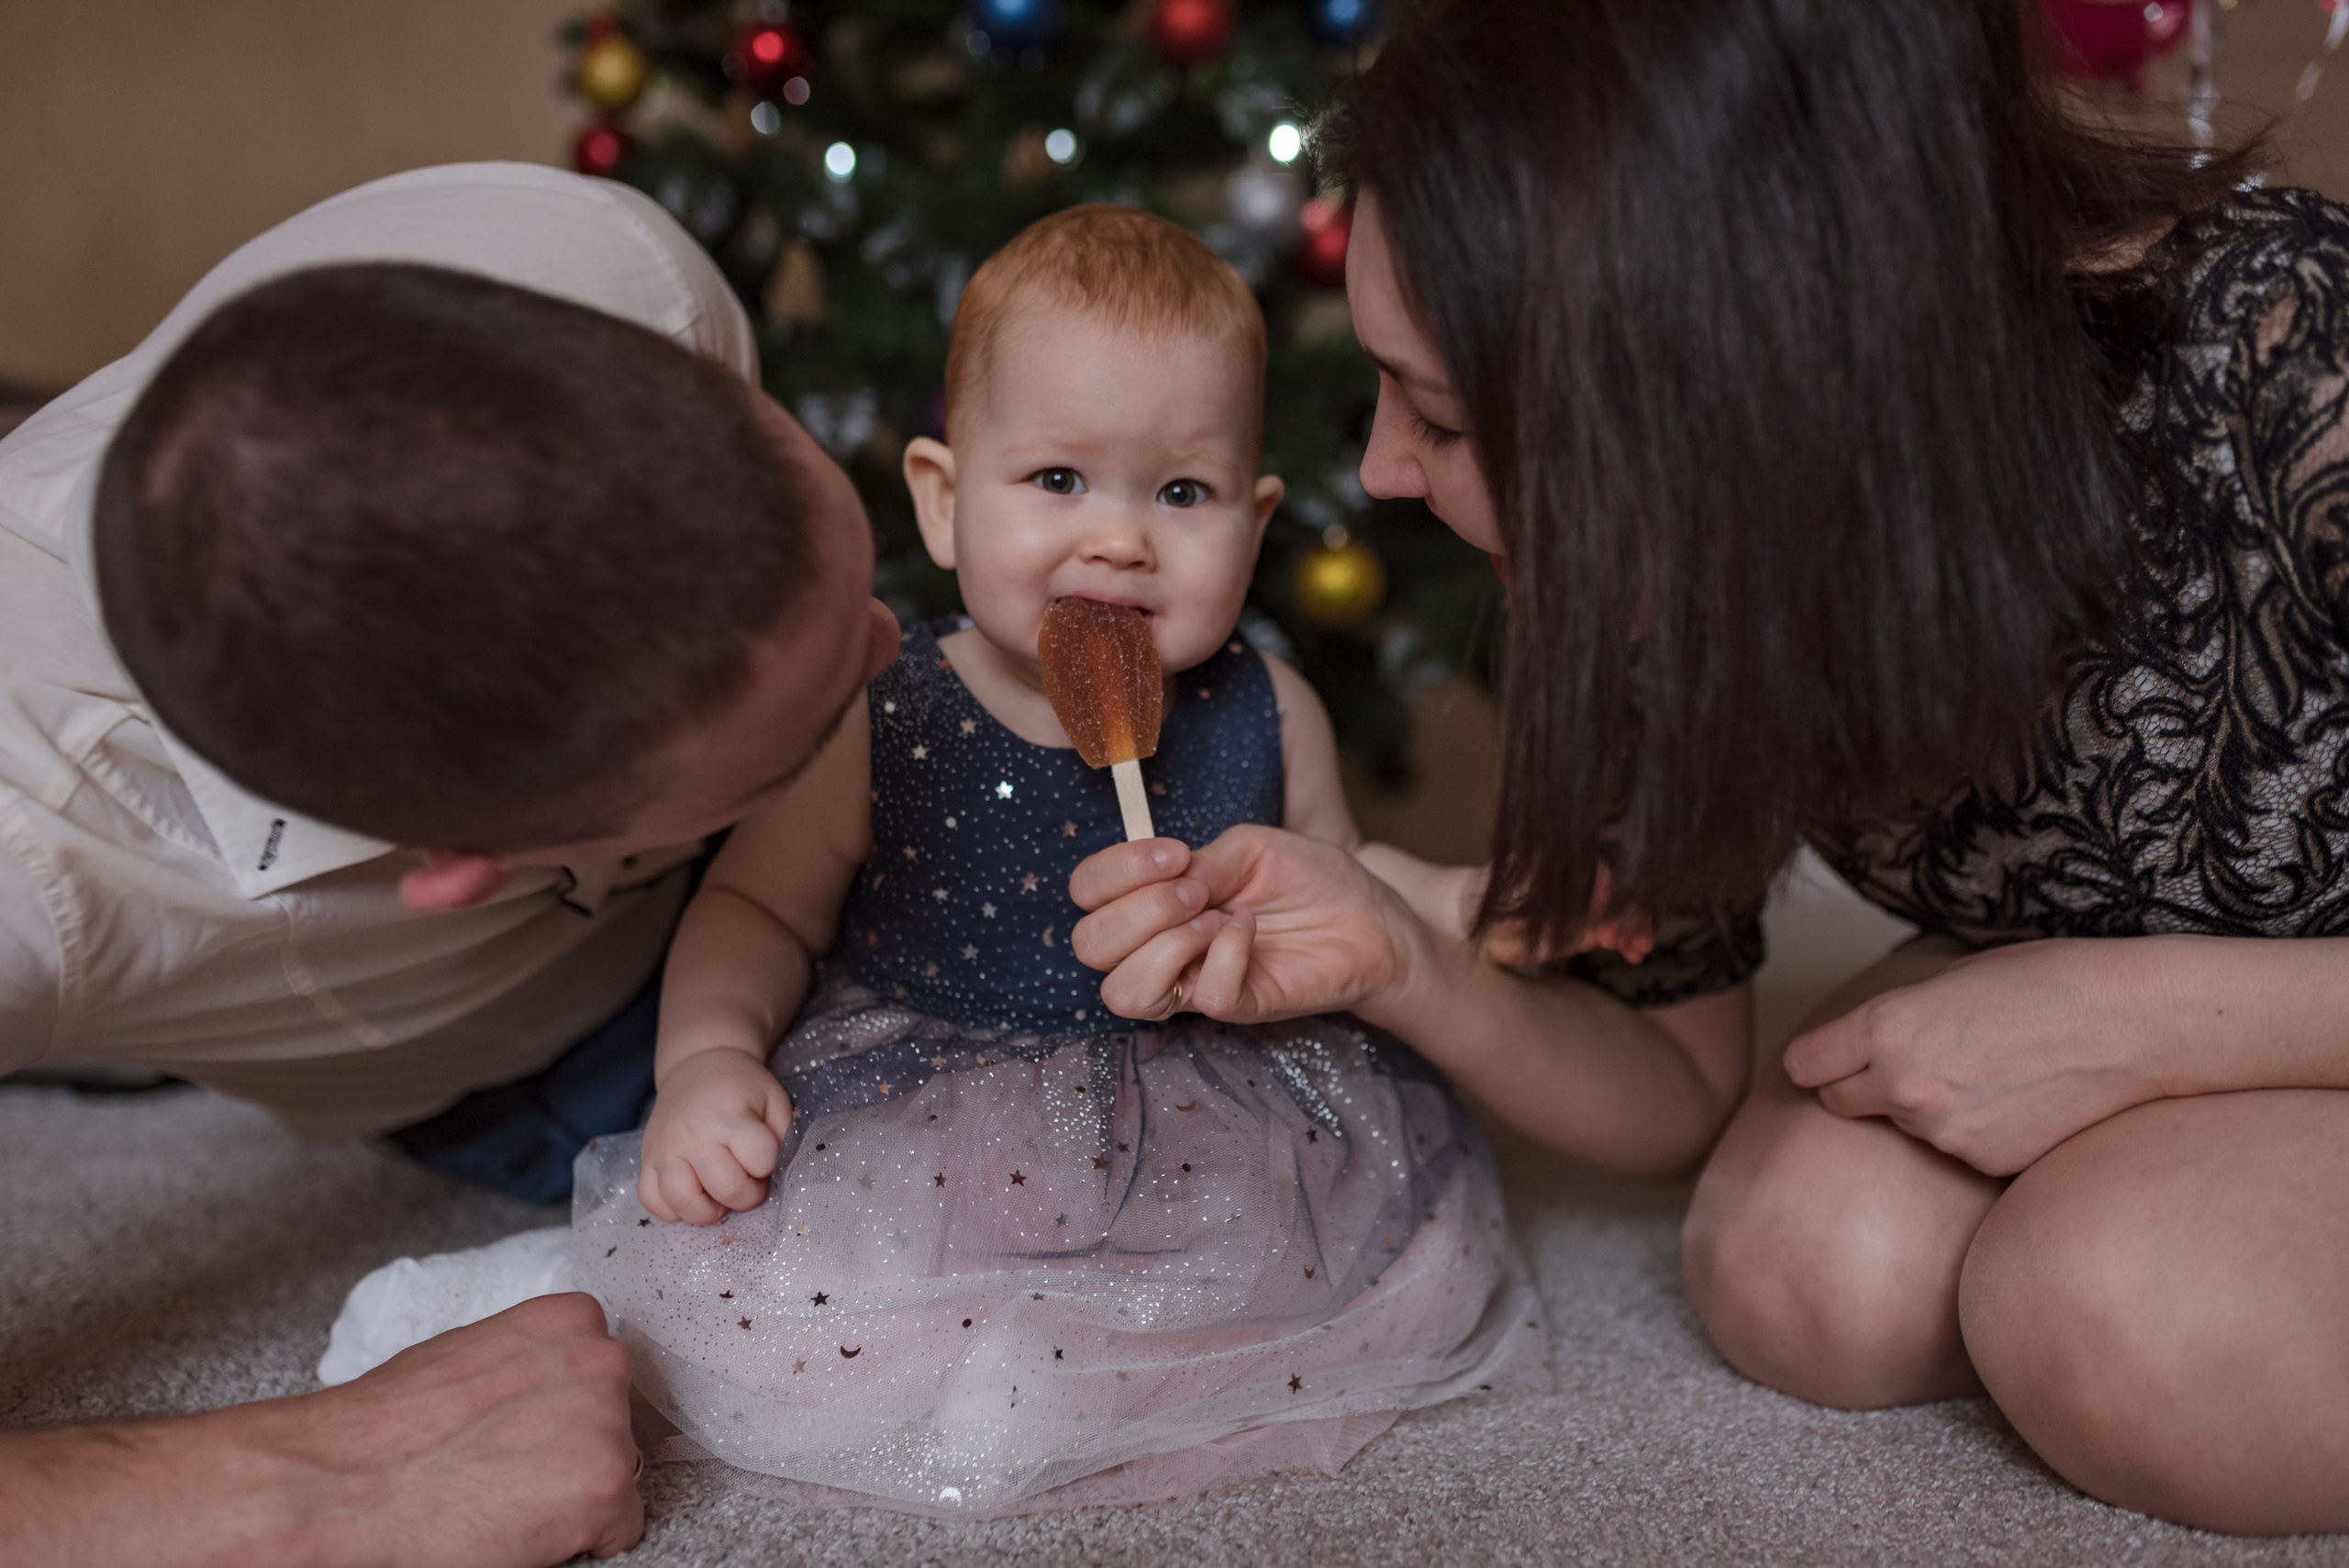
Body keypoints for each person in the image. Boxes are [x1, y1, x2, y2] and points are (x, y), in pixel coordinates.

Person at [1069, 0, 2349, 1536]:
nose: (1382, 473)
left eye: (1448, 418)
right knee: (1805, 1270)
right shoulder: (1653, 562)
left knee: (2126, 1315)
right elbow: (1673, 1077)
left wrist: (2143, 1023)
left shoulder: (2293, 357)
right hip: (2143, 949)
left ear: (1733, 401)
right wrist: (1405, 954)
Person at [332, 205, 1550, 1515]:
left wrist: (1462, 898)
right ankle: (558, 1308)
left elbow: (1342, 875)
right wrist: (706, 1062)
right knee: (787, 1298)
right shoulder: (889, 708)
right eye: (1059, 480)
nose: (1121, 539)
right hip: (929, 1091)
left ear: (1254, 523)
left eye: (1182, 493)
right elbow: (757, 908)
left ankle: (1067, 1386)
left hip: (1210, 1103)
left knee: (1300, 1288)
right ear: (941, 499)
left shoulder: (1269, 707)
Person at [0, 163, 898, 1562]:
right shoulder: (31, 874)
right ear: (464, 862)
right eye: (804, 728)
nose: (896, 655)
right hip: (538, 1043)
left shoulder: (603, 268)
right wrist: (305, 1485)